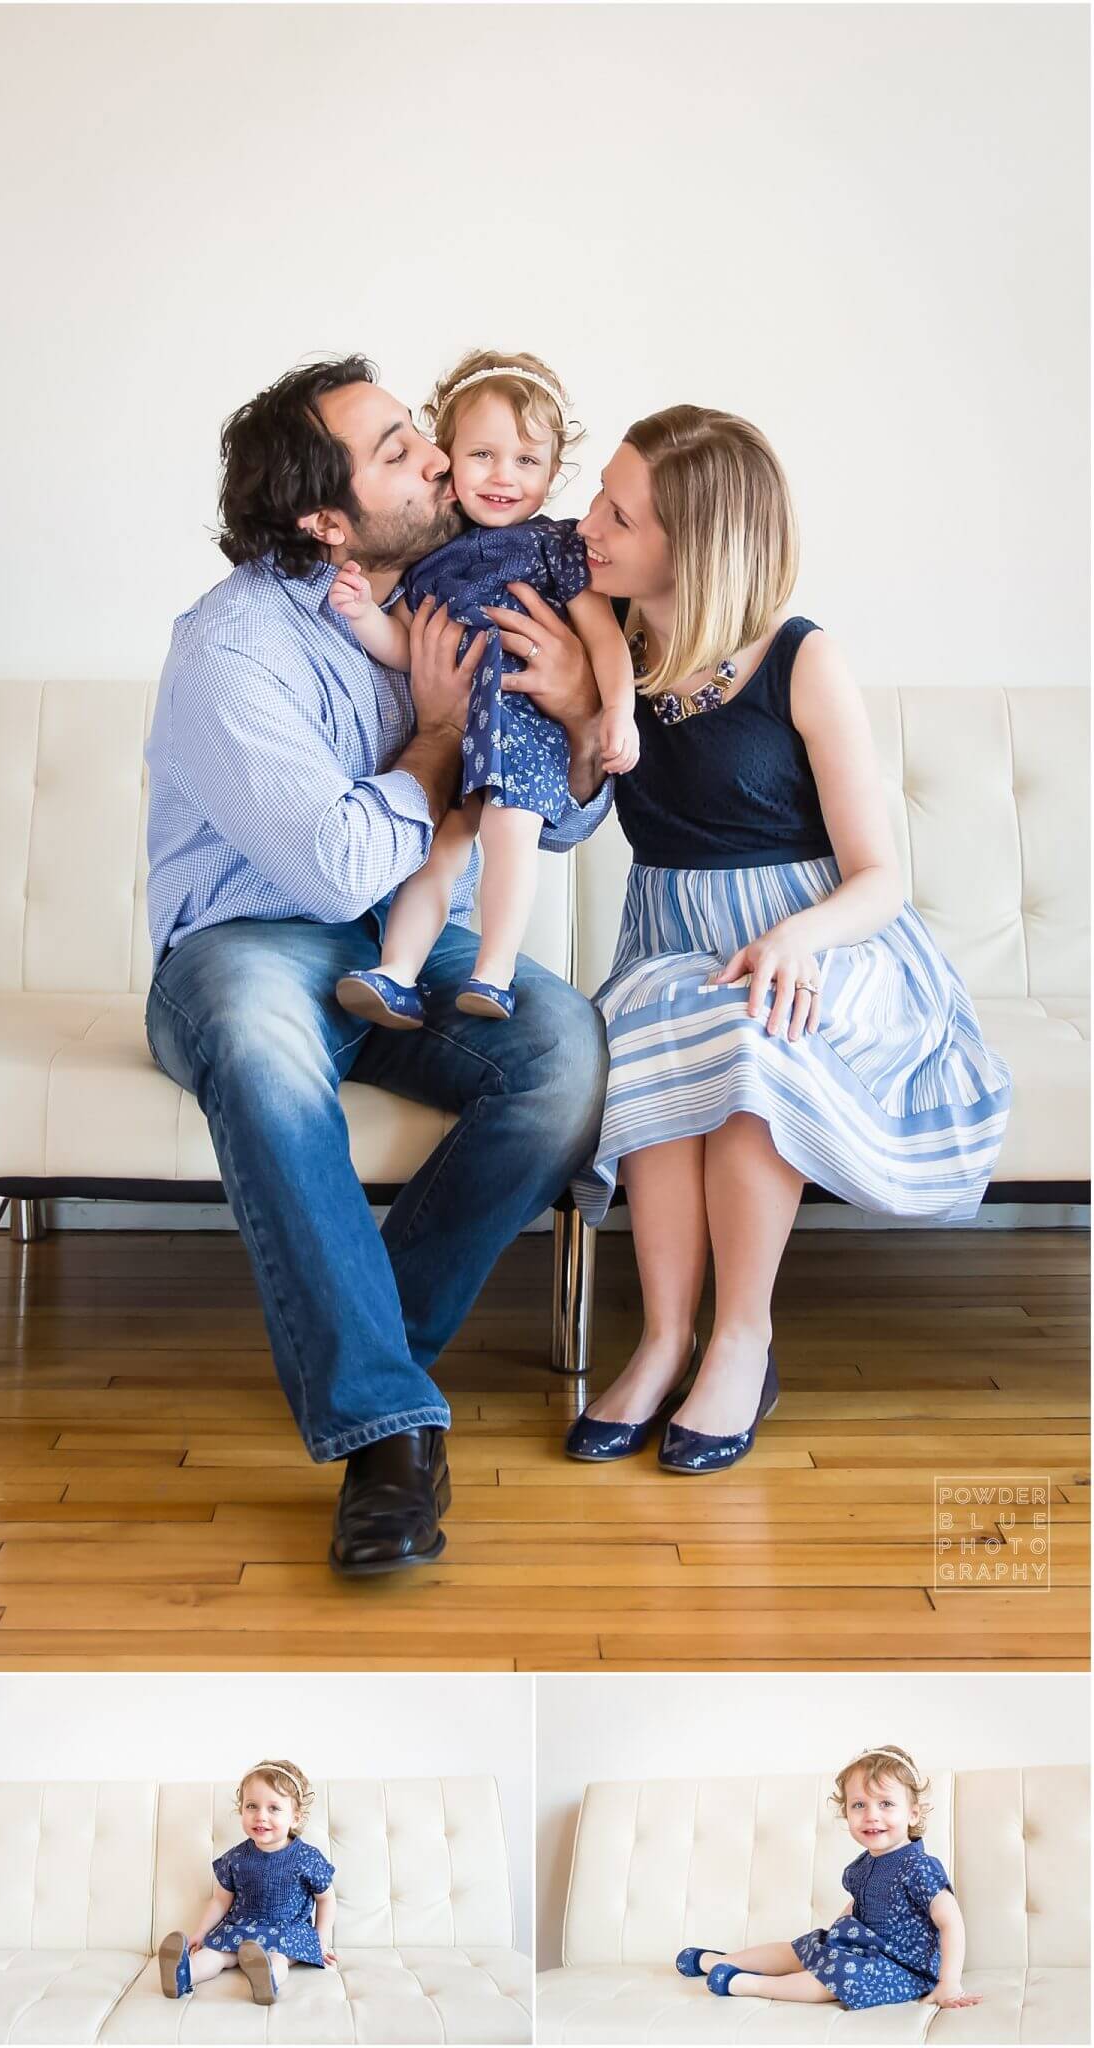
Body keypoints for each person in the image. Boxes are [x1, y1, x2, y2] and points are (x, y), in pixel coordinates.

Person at [144, 356, 612, 1576]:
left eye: (422, 436)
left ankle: (366, 1351)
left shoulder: (463, 592)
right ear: (325, 519)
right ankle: (392, 1435)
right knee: (259, 1043)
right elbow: (341, 864)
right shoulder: (231, 646)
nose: (443, 462)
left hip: (394, 943)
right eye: (402, 451)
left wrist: (571, 710)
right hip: (242, 942)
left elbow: (550, 826)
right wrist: (445, 732)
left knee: (562, 1051)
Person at [564, 406, 1012, 1472]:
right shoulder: (611, 646)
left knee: (752, 1031)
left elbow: (880, 877)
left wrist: (801, 938)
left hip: (822, 942)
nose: (590, 523)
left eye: (620, 514)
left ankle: (742, 1334)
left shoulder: (802, 660)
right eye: (600, 495)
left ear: (696, 546)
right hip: (671, 939)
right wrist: (585, 723)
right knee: (660, 1027)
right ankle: (663, 1332)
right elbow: (562, 810)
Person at [332, 348, 637, 1026]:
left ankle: (493, 974)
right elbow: (408, 645)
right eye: (482, 455)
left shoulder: (554, 547)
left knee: (508, 838)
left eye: (526, 461)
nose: (503, 477)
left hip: (526, 732)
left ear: (554, 472)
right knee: (436, 854)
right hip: (456, 733)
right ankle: (396, 972)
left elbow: (604, 638)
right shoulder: (430, 553)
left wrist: (618, 711)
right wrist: (360, 618)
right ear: (445, 455)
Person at [675, 1745, 981, 2010]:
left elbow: (950, 1921)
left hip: (903, 1966)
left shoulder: (920, 1866)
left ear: (913, 1814)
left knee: (839, 1977)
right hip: (862, 1947)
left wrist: (949, 1982)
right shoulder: (863, 1864)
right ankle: (718, 1961)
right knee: (803, 1948)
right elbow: (857, 1904)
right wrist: (835, 1934)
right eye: (859, 1805)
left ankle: (747, 1984)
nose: (871, 1814)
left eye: (886, 1804)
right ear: (846, 1813)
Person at [159, 1760, 336, 2006]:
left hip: (288, 1932)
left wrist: (321, 1939)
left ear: (295, 1818)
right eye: (252, 1806)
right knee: (214, 1956)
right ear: (241, 1810)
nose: (261, 1816)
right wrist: (200, 1932)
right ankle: (182, 1975)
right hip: (240, 1930)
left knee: (278, 1958)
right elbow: (221, 1900)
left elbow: (326, 1898)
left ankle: (266, 1979)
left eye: (274, 1808)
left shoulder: (307, 1858)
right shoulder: (236, 1857)